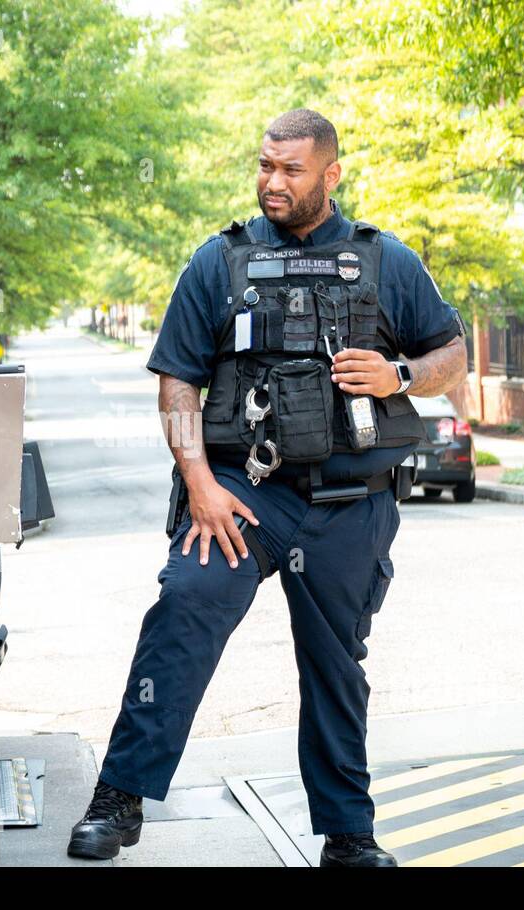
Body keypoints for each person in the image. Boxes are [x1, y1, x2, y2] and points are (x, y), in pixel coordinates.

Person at [67, 108, 468, 867]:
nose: (271, 183)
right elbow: (178, 383)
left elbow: (452, 352)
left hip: (351, 504)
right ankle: (118, 799)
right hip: (241, 495)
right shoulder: (216, 264)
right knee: (184, 607)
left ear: (331, 174)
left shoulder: (389, 263)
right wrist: (199, 485)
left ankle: (348, 836)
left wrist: (401, 374)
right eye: (264, 166)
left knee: (335, 667)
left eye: (290, 170)